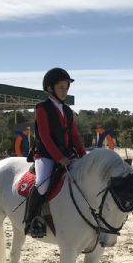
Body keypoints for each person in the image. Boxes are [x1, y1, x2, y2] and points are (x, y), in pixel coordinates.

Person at [24, 67, 87, 238]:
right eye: (61, 87)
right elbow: (44, 136)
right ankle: (32, 220)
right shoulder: (41, 108)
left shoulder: (67, 110)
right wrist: (59, 158)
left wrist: (84, 156)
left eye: (67, 87)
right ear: (50, 88)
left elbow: (74, 134)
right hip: (45, 154)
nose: (65, 91)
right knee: (43, 184)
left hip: (66, 155)